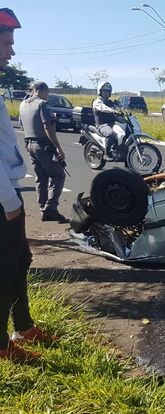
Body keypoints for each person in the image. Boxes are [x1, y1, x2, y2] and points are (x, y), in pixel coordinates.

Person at [0, 8, 57, 362]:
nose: (11, 50)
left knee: (20, 259)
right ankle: (2, 347)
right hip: (2, 194)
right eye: (6, 42)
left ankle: (24, 326)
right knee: (5, 266)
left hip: (8, 189)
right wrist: (9, 202)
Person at [19, 80, 67, 222]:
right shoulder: (42, 104)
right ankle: (50, 208)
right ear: (43, 91)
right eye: (47, 93)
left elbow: (22, 125)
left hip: (29, 143)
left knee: (41, 177)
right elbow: (48, 127)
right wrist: (58, 147)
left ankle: (43, 208)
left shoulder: (23, 104)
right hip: (42, 145)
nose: (47, 96)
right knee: (58, 175)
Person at [92, 81, 122, 160]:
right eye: (104, 91)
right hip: (102, 125)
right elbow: (103, 108)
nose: (106, 93)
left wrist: (122, 112)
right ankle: (107, 153)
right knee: (111, 133)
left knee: (124, 132)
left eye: (108, 91)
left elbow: (118, 110)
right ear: (100, 91)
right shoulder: (97, 101)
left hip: (113, 124)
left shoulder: (111, 102)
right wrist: (112, 110)